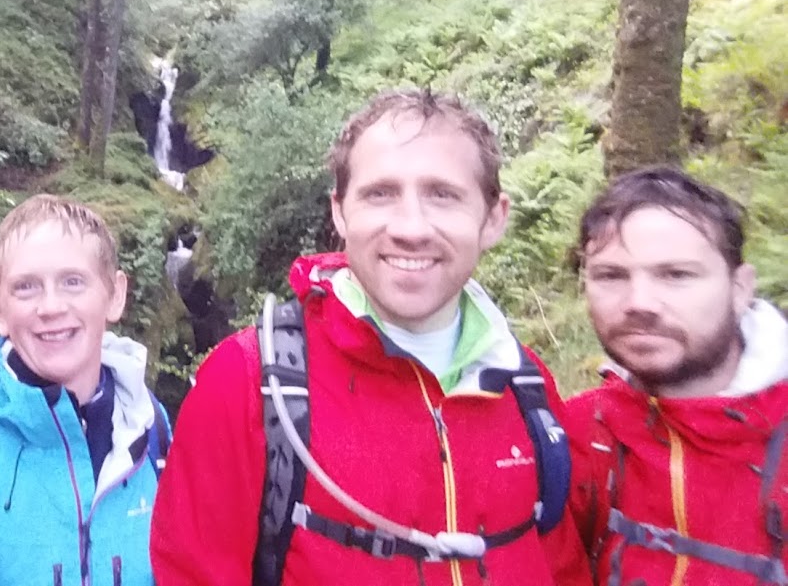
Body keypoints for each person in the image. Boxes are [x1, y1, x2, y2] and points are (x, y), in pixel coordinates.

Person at [150, 90, 590, 585]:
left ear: (493, 219)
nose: (411, 228)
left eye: (442, 195)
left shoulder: (528, 388)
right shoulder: (246, 382)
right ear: (340, 213)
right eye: (380, 193)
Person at [566, 167, 788, 585]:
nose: (640, 302)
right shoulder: (576, 435)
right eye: (611, 275)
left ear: (740, 288)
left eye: (676, 275)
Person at [0, 194, 168, 586]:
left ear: (115, 294)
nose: (51, 306)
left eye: (73, 282)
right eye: (26, 287)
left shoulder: (150, 425)